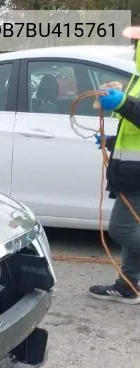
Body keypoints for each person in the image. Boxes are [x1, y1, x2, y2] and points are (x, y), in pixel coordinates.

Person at [89, 25, 140, 305]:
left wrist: (122, 103)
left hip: (137, 173)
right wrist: (110, 141)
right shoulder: (137, 78)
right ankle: (129, 285)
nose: (134, 48)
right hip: (131, 170)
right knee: (132, 226)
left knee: (121, 229)